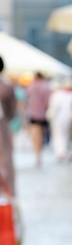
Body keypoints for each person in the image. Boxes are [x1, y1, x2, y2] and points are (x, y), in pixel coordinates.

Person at [47, 78, 72, 161]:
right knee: (61, 136)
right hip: (61, 119)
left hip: (65, 119)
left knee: (63, 136)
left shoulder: (71, 95)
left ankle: (62, 152)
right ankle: (61, 152)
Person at [25, 72, 51, 166]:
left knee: (35, 136)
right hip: (42, 114)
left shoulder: (30, 86)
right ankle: (39, 154)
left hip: (33, 114)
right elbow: (47, 102)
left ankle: (37, 154)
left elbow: (26, 99)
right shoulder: (46, 87)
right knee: (41, 135)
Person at [0, 56, 17, 195]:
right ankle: (8, 193)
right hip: (2, 128)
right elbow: (12, 113)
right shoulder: (6, 88)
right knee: (5, 162)